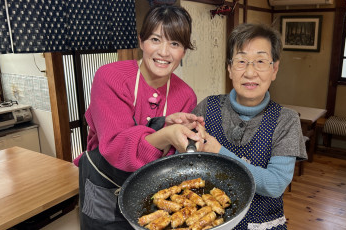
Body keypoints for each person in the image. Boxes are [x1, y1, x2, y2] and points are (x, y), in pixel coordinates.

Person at [73, 5, 204, 229]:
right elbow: (115, 148)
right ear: (141, 41)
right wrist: (168, 132)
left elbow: (174, 161)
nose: (164, 52)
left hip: (153, 193)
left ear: (184, 51)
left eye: (175, 43)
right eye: (155, 39)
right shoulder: (110, 77)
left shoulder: (186, 95)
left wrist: (189, 137)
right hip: (105, 187)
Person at [192, 23, 307, 229]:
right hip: (208, 222)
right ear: (229, 68)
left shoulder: (286, 120)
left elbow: (274, 185)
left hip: (261, 223)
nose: (250, 72)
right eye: (241, 61)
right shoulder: (207, 107)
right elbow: (186, 162)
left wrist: (218, 151)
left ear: (274, 69)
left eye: (261, 61)